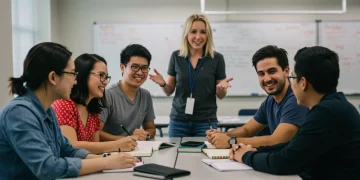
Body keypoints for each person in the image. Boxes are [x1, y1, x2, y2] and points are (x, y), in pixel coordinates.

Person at [0, 42, 138, 179]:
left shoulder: (46, 110)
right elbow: (48, 168)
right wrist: (105, 162)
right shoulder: (19, 113)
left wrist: (106, 159)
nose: (76, 81)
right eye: (72, 74)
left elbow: (67, 149)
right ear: (53, 77)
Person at [232, 46, 360, 179]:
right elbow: (294, 147)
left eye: (292, 78)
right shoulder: (331, 105)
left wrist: (246, 156)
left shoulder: (326, 112)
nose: (291, 84)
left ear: (303, 83)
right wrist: (254, 150)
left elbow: (283, 162)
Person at [206, 45, 308, 148]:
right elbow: (247, 130)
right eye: (261, 74)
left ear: (286, 71)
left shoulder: (296, 99)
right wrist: (220, 136)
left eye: (272, 71)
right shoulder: (270, 101)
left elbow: (276, 140)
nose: (267, 78)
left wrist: (230, 141)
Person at [149, 14, 233, 137]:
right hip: (179, 121)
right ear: (186, 34)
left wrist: (221, 89)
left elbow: (221, 95)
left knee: (204, 155)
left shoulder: (217, 58)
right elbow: (168, 91)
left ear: (208, 35)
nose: (198, 37)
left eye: (203, 32)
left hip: (206, 122)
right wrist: (162, 83)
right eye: (193, 31)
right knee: (175, 155)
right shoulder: (176, 56)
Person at [52, 53, 138, 154]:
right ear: (83, 75)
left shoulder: (93, 110)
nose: (105, 82)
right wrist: (117, 145)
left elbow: (96, 147)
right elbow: (71, 146)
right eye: (101, 75)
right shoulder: (64, 104)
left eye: (106, 77)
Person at [100, 44, 156, 141]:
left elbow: (151, 129)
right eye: (134, 67)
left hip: (136, 151)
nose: (140, 72)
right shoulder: (107, 94)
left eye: (144, 68)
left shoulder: (145, 95)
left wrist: (145, 135)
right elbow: (96, 134)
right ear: (122, 67)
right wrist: (125, 140)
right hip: (110, 152)